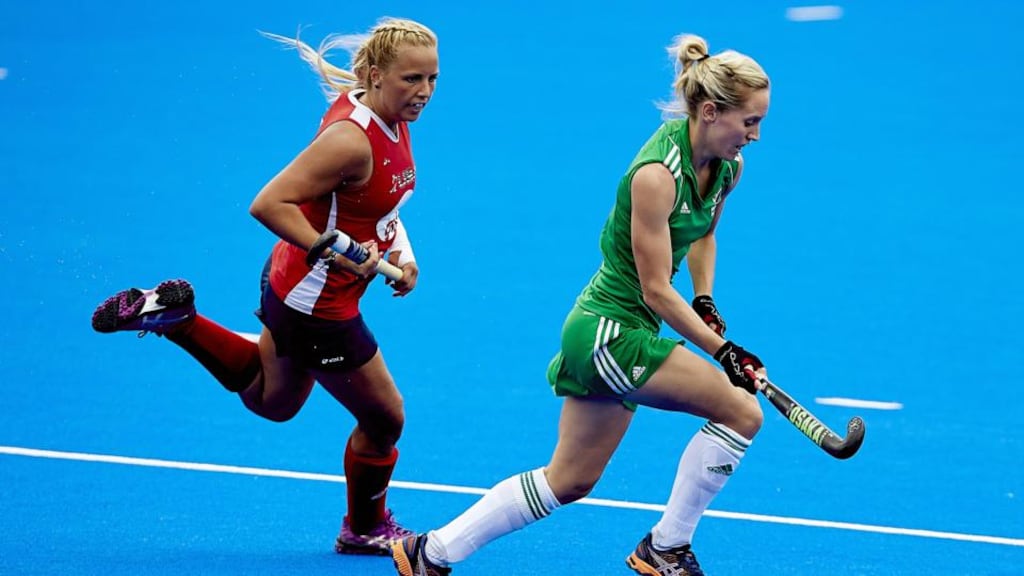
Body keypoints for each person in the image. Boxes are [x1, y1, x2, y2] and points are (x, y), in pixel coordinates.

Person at [392, 32, 770, 576]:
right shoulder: (656, 177)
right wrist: (725, 351)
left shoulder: (726, 166)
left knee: (569, 480)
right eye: (749, 122)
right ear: (710, 112)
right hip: (609, 333)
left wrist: (706, 299)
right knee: (740, 411)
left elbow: (704, 234)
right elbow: (656, 290)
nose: (755, 136)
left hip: (621, 332)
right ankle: (666, 548)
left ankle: (431, 552)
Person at [90, 17, 440, 556]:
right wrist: (336, 250)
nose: (424, 92)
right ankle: (364, 528)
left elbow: (373, 203)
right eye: (411, 80)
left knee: (275, 402)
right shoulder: (350, 140)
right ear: (372, 74)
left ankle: (177, 319)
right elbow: (269, 202)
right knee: (385, 416)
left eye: (432, 79)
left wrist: (400, 253)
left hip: (294, 283)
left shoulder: (390, 116)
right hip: (316, 303)